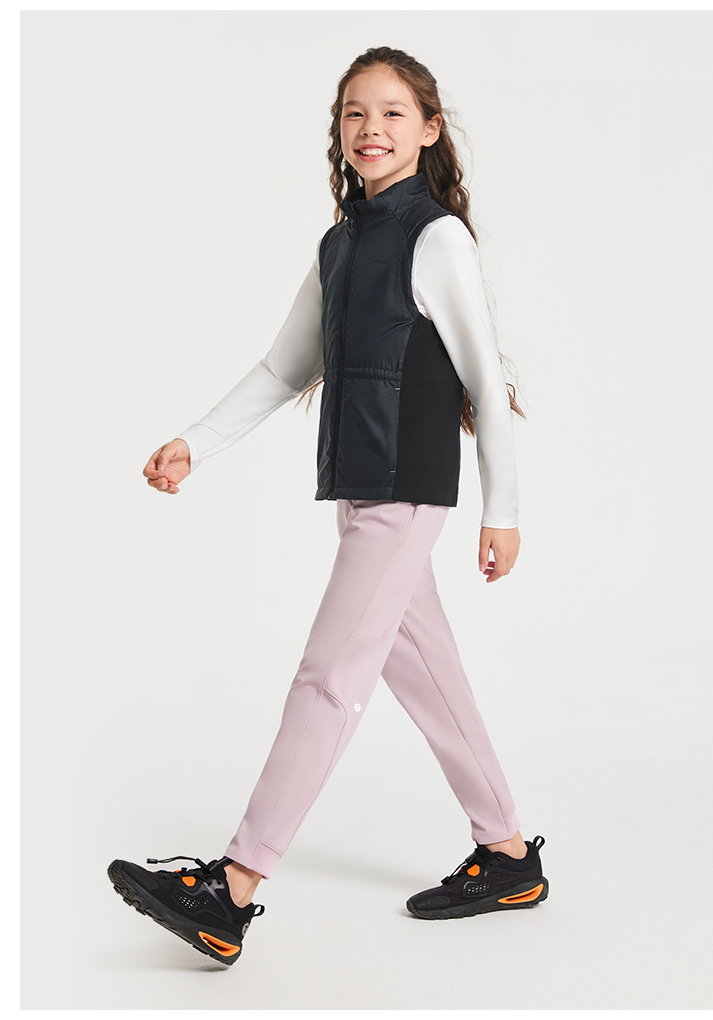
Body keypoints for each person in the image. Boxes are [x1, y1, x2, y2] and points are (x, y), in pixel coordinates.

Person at [108, 45, 548, 967]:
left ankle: (232, 889)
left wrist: (501, 511)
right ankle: (508, 854)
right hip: (363, 492)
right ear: (338, 130)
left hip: (404, 494)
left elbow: (484, 376)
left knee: (327, 679)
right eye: (355, 112)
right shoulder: (341, 243)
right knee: (428, 674)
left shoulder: (437, 238)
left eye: (392, 113)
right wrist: (196, 441)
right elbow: (284, 367)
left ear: (429, 130)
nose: (370, 128)